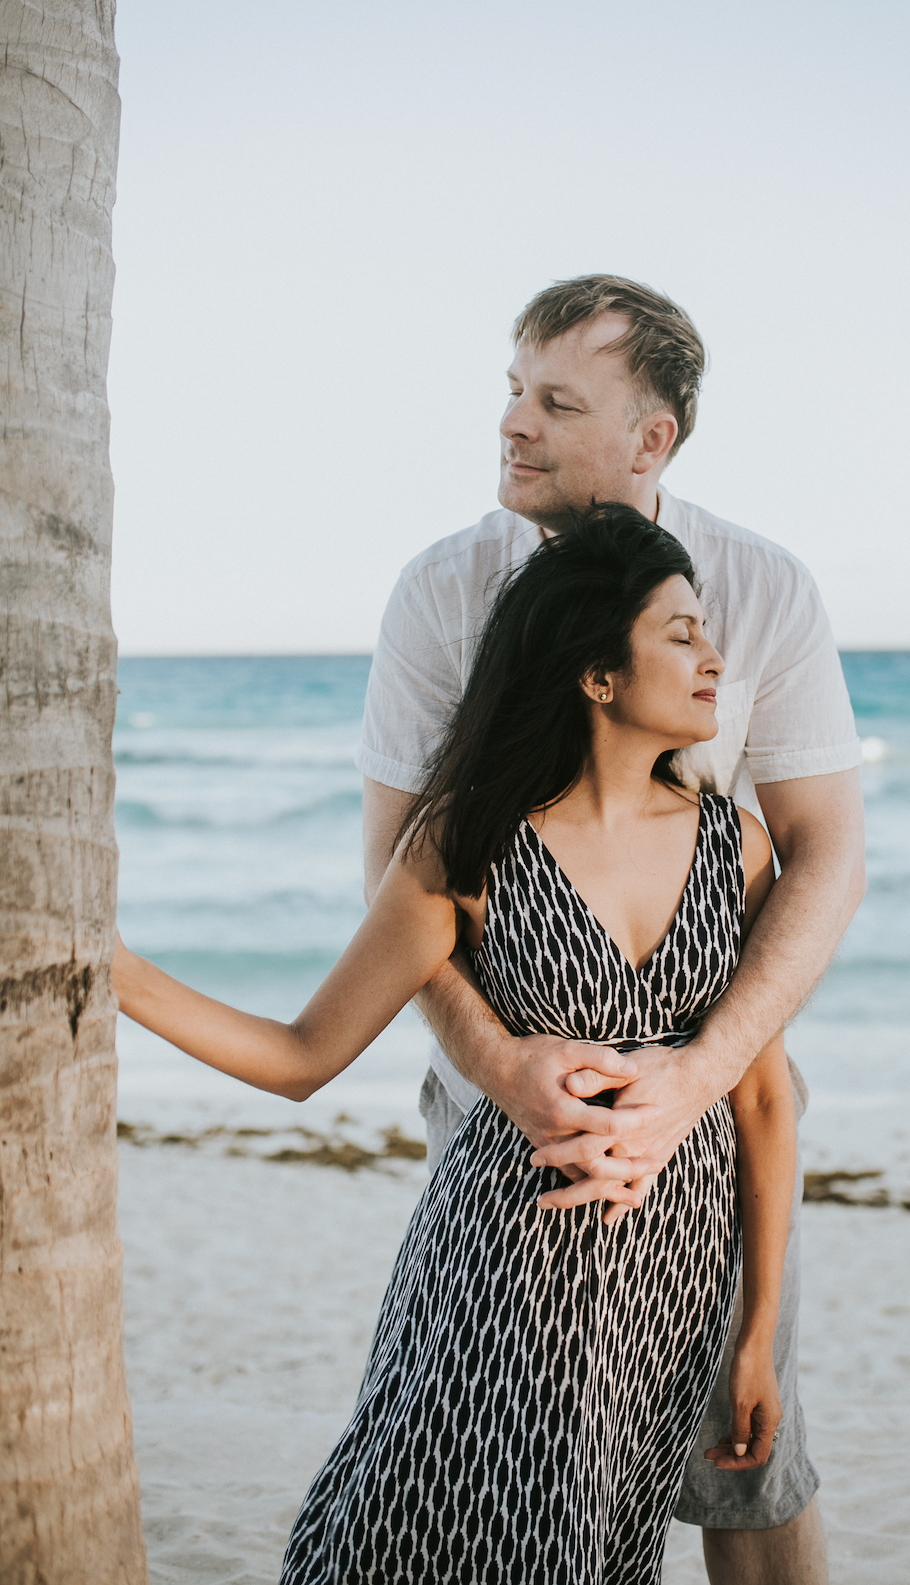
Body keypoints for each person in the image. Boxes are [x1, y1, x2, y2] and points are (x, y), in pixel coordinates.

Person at [113, 506, 796, 1585]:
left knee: (596, 1552)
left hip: (670, 1299)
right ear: (595, 675)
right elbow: (302, 1055)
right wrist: (115, 970)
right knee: (428, 1529)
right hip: (499, 1279)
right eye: (678, 634)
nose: (713, 658)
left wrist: (757, 1330)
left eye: (705, 630)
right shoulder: (469, 841)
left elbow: (761, 1101)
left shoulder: (737, 849)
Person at [359, 276, 866, 1585]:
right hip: (503, 1108)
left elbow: (825, 854)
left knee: (750, 1465)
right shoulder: (442, 592)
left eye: (557, 403)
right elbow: (396, 874)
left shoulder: (759, 589)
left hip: (718, 1097)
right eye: (515, 391)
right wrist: (500, 1069)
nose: (513, 426)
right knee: (511, 1472)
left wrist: (699, 1076)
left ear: (652, 441)